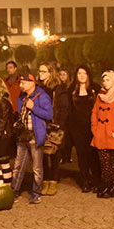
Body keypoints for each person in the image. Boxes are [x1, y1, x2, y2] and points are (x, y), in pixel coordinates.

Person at [11, 72, 53, 205]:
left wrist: (34, 107)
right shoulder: (22, 97)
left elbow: (48, 114)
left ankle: (36, 192)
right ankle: (14, 190)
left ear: (31, 83)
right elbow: (21, 113)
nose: (21, 85)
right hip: (23, 135)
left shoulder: (42, 96)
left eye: (23, 82)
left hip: (35, 135)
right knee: (18, 165)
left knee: (37, 167)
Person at [91, 70, 114, 198]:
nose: (105, 83)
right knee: (104, 162)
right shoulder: (100, 94)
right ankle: (106, 184)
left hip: (113, 133)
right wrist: (94, 128)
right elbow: (95, 112)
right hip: (101, 133)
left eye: (108, 80)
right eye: (104, 80)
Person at [64, 66, 97, 192]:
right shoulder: (72, 90)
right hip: (77, 127)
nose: (82, 75)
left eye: (84, 73)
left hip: (91, 126)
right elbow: (69, 109)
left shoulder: (94, 88)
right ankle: (85, 180)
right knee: (81, 154)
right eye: (79, 73)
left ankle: (95, 179)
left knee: (92, 154)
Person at [39, 62, 68, 196]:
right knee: (43, 153)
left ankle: (54, 180)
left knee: (55, 153)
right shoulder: (39, 87)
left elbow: (63, 108)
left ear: (51, 73)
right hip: (42, 124)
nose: (41, 74)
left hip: (55, 124)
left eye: (44, 71)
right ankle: (46, 180)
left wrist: (59, 123)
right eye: (40, 71)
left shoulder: (58, 88)